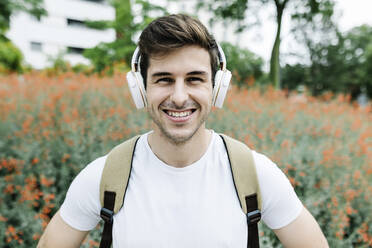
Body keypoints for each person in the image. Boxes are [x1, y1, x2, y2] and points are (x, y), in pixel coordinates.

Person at [37, 14, 328, 248]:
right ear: (140, 88)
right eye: (164, 79)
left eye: (194, 79)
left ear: (216, 88)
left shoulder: (255, 174)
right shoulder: (106, 177)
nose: (179, 96)